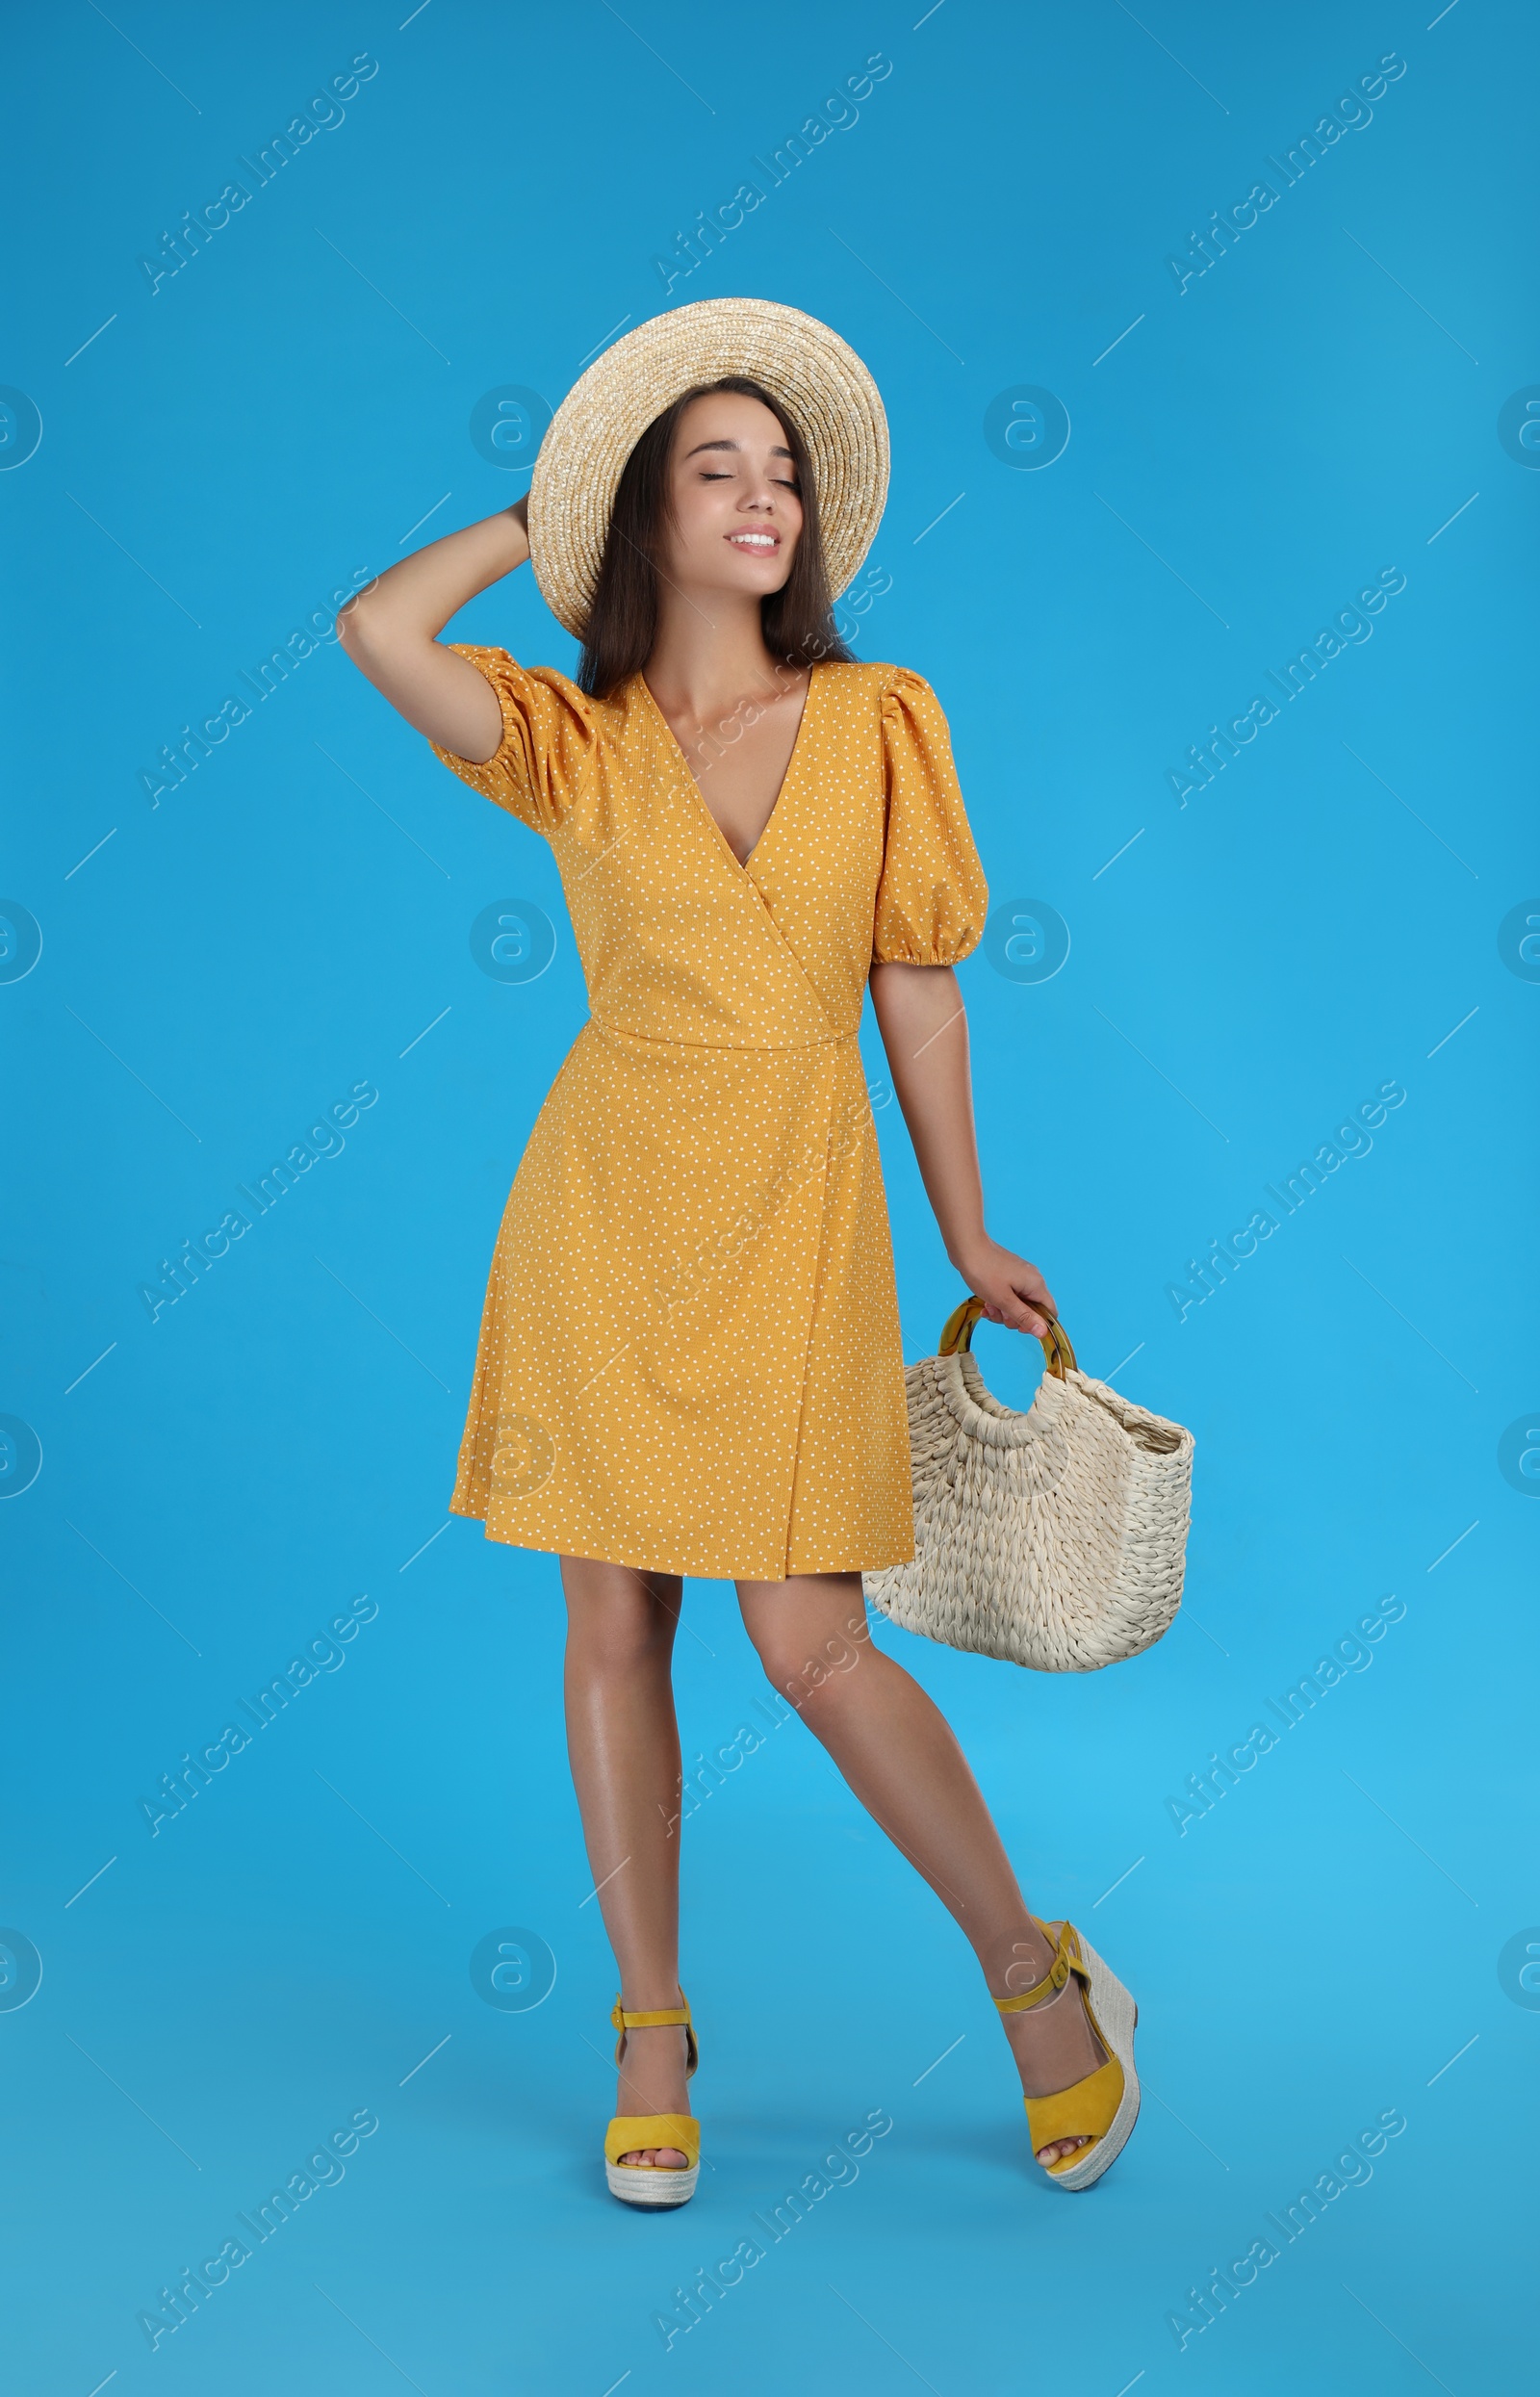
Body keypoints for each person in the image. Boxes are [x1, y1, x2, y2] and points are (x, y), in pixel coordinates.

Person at [339, 298, 1139, 2206]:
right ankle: (647, 2031)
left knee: (809, 1644)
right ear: (640, 516)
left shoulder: (877, 719)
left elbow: (917, 992)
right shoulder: (570, 737)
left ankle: (1034, 1983)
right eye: (717, 469)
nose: (766, 499)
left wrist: (962, 1221)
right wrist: (549, 493)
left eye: (783, 474)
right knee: (610, 1617)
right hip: (602, 1210)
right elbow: (380, 632)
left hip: (795, 1200)